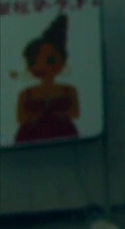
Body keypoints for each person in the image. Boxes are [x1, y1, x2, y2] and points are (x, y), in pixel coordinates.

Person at [15, 14, 81, 144]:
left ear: (62, 61)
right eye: (34, 61)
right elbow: (21, 117)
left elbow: (75, 113)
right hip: (31, 136)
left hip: (63, 133)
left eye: (50, 60)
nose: (43, 66)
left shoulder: (69, 90)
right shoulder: (26, 94)